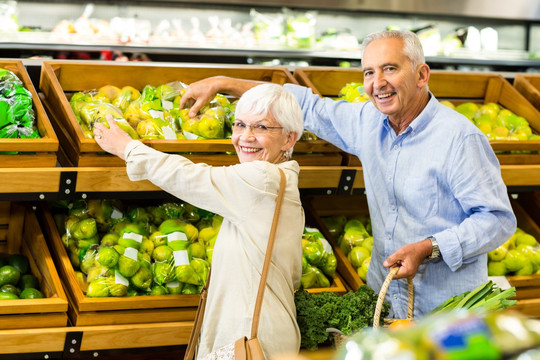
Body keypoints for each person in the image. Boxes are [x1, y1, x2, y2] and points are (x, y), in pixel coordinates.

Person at [178, 29, 517, 319]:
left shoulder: (459, 138)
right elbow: (305, 105)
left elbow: (498, 220)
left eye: (389, 69)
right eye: (369, 73)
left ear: (421, 75)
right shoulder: (369, 123)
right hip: (384, 300)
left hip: (446, 311)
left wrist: (429, 248)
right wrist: (223, 83)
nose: (377, 84)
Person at [93, 83, 305, 359]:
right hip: (266, 334)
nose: (245, 137)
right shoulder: (283, 180)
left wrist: (130, 149)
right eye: (240, 124)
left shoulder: (262, 179)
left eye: (261, 127)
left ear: (289, 139)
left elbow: (192, 177)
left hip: (252, 339)